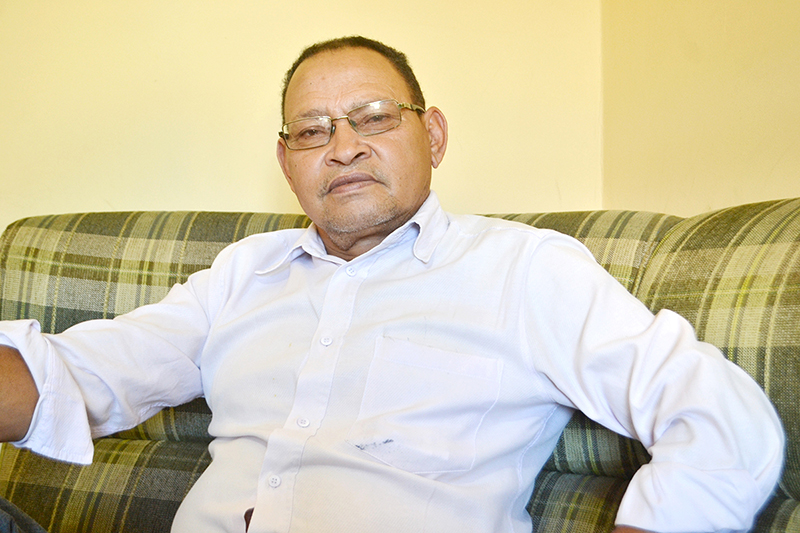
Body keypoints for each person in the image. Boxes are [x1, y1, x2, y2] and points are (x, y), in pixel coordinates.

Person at [0, 36, 784, 533]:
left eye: (374, 117)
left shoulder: (523, 268)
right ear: (287, 163)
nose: (342, 147)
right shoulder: (242, 274)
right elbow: (79, 374)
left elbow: (719, 414)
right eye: (312, 131)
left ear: (432, 135)